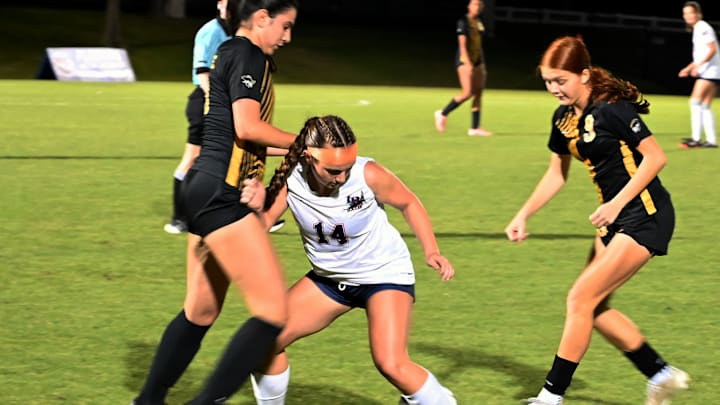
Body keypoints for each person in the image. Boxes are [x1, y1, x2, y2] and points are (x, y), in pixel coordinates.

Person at [504, 36, 690, 405]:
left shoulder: (612, 109)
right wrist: (523, 214)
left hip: (645, 215)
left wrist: (616, 204)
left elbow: (655, 158)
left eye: (561, 80)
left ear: (584, 75)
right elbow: (557, 173)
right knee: (596, 307)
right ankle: (661, 374)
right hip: (615, 220)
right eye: (548, 81)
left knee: (579, 299)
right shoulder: (563, 118)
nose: (554, 89)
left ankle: (550, 397)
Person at [131, 1, 298, 404]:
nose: (288, 37)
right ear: (262, 18)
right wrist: (307, 141)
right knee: (273, 313)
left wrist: (297, 152)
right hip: (222, 194)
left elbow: (234, 135)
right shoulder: (248, 54)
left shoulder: (226, 50)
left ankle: (148, 401)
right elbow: (247, 126)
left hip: (201, 187)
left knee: (199, 313)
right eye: (285, 26)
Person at [240, 115, 458, 405]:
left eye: (347, 168)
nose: (341, 178)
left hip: (383, 276)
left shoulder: (368, 174)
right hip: (330, 281)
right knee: (263, 345)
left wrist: (431, 250)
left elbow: (408, 202)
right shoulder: (291, 180)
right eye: (332, 170)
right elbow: (260, 227)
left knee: (391, 363)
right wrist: (255, 207)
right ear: (308, 157)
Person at [164, 0, 286, 235]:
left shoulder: (237, 36)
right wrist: (220, 102)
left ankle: (250, 209)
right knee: (194, 158)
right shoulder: (211, 32)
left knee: (233, 155)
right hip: (206, 100)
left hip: (226, 101)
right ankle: (179, 217)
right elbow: (202, 73)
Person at [434, 0, 492, 137]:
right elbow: (462, 44)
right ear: (469, 6)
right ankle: (442, 113)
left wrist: (481, 62)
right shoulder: (463, 22)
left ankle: (475, 128)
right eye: (475, 4)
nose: (477, 7)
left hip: (478, 61)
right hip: (464, 60)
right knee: (467, 93)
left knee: (478, 93)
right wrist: (466, 61)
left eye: (480, 5)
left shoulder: (479, 22)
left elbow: (478, 43)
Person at [678, 1, 720, 149]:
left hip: (710, 71)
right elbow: (702, 54)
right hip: (712, 71)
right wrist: (689, 68)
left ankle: (696, 138)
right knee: (705, 105)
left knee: (695, 102)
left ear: (698, 14)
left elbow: (712, 49)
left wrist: (699, 66)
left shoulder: (702, 27)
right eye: (685, 13)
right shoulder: (699, 28)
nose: (688, 16)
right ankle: (711, 141)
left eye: (690, 13)